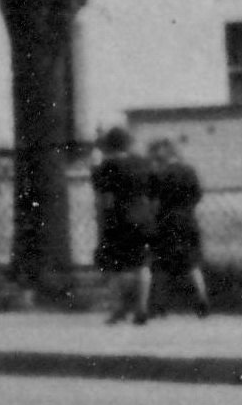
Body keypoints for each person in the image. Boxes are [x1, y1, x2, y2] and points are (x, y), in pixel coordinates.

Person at [88, 127, 151, 324]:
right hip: (142, 216)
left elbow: (100, 189)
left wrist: (94, 165)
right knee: (141, 264)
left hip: (117, 218)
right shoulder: (142, 162)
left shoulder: (108, 164)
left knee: (115, 267)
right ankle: (142, 308)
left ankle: (118, 309)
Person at [147, 138, 212, 322]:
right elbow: (197, 195)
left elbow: (152, 200)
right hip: (188, 219)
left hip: (165, 221)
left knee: (161, 264)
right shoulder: (189, 171)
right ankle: (202, 299)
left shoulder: (158, 174)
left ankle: (160, 306)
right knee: (191, 262)